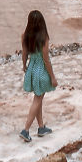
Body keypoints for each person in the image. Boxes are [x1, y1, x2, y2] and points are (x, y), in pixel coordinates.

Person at [20, 9, 56, 143]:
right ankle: (26, 130)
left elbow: (24, 54)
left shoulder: (24, 35)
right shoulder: (43, 38)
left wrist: (24, 66)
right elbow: (46, 59)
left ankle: (41, 127)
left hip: (31, 68)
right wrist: (52, 77)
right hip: (41, 69)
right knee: (37, 99)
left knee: (38, 97)